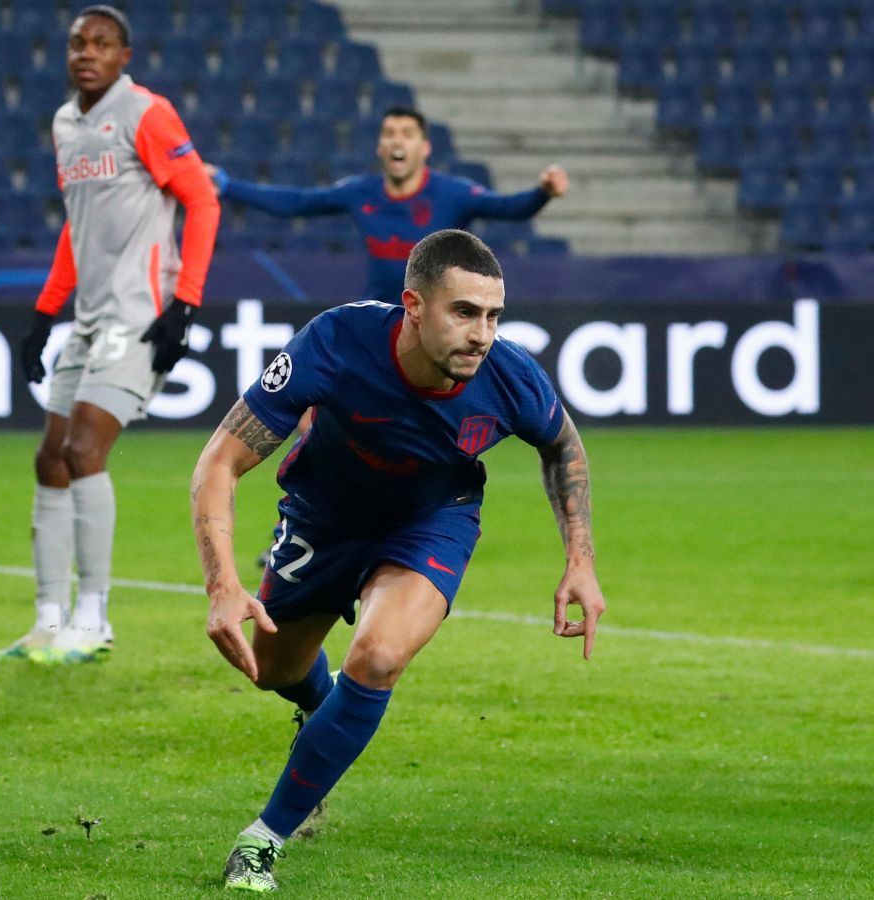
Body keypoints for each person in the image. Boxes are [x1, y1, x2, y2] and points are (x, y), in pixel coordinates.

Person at [188, 230, 605, 892]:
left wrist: (579, 558)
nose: (483, 334)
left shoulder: (510, 375)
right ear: (413, 304)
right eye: (464, 313)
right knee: (273, 670)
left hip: (430, 522)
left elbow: (563, 445)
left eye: (494, 316)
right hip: (323, 515)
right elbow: (221, 461)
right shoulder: (336, 343)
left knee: (378, 657)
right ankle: (317, 710)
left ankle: (263, 838)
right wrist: (223, 584)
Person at [0, 4, 221, 664]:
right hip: (88, 317)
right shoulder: (67, 124)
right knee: (50, 458)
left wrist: (185, 304)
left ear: (125, 56)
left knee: (85, 448)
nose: (86, 53)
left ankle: (93, 618)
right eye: (76, 43)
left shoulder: (145, 113)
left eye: (101, 43)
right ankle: (48, 618)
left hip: (139, 311)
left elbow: (202, 199)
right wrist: (45, 312)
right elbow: (78, 224)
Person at [206, 107, 569, 303]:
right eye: (389, 134)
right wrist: (227, 185)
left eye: (407, 134)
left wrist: (542, 192)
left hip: (435, 321)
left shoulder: (452, 193)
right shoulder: (360, 191)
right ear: (380, 147)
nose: (397, 141)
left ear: (424, 148)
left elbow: (509, 208)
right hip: (378, 321)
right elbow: (296, 202)